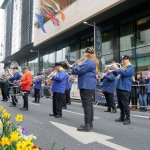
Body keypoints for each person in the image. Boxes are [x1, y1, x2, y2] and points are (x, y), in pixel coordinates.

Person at [66, 47, 99, 131]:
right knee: (89, 105)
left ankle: (87, 124)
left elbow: (79, 70)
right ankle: (90, 123)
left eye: (84, 53)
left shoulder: (89, 61)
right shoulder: (91, 61)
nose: (83, 55)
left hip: (86, 85)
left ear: (87, 54)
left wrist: (71, 67)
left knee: (87, 105)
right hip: (88, 85)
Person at [112, 55, 134, 125]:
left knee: (125, 104)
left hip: (124, 88)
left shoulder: (130, 67)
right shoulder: (123, 67)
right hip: (119, 87)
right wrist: (113, 70)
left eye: (124, 60)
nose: (123, 61)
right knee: (120, 104)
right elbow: (116, 75)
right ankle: (122, 117)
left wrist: (117, 68)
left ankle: (128, 118)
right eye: (122, 60)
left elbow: (125, 73)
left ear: (128, 60)